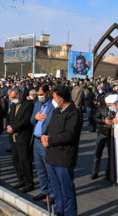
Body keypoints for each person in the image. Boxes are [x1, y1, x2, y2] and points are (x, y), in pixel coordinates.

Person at [41, 86, 83, 216]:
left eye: (54, 97)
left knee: (67, 191)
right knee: (56, 189)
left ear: (61, 99)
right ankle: (60, 212)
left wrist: (50, 140)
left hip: (64, 158)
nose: (52, 100)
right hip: (51, 156)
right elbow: (48, 128)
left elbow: (69, 135)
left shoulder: (74, 113)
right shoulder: (56, 111)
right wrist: (44, 136)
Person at [6, 87, 34, 192]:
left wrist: (14, 128)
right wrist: (9, 126)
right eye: (11, 97)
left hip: (22, 135)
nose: (12, 99)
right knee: (16, 159)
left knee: (25, 160)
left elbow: (26, 120)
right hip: (13, 136)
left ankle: (29, 182)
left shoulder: (28, 104)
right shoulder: (13, 104)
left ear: (19, 95)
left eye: (14, 97)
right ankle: (21, 179)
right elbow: (8, 117)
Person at [30, 84, 55, 202]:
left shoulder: (52, 106)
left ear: (47, 93)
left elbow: (52, 124)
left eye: (41, 95)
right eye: (38, 95)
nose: (39, 97)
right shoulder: (37, 104)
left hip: (45, 141)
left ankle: (52, 194)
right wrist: (36, 117)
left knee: (49, 169)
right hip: (35, 140)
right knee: (40, 169)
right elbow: (31, 120)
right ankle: (44, 191)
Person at [91, 96, 112, 180]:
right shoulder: (101, 108)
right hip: (102, 133)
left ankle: (109, 173)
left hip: (111, 134)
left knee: (111, 155)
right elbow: (96, 118)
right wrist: (104, 121)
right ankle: (95, 172)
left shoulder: (115, 108)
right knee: (97, 153)